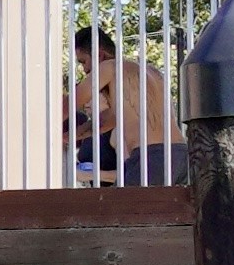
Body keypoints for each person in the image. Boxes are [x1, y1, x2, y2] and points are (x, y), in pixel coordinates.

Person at [71, 26, 182, 187]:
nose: (85, 70)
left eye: (83, 62)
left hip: (151, 157)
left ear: (98, 54)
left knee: (124, 210)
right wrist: (67, 136)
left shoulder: (109, 67)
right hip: (179, 153)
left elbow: (71, 103)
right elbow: (103, 123)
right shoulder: (149, 72)